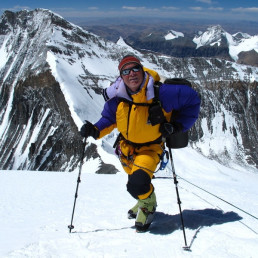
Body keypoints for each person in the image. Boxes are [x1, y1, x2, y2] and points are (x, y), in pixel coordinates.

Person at [80, 55, 201, 232]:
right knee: (136, 180)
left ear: (142, 70)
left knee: (137, 183)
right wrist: (95, 130)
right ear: (121, 76)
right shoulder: (117, 98)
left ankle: (149, 204)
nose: (132, 74)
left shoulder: (161, 93)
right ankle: (143, 198)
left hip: (150, 148)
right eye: (126, 71)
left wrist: (177, 126)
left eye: (135, 68)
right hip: (126, 149)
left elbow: (193, 99)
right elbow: (109, 119)